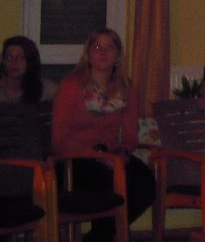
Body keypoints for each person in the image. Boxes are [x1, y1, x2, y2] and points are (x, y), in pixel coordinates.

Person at [52, 28, 155, 242]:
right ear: (88, 53)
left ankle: (100, 236)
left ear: (117, 55)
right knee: (108, 183)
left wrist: (121, 153)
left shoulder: (125, 88)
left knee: (145, 182)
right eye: (97, 46)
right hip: (74, 159)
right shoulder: (71, 85)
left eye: (110, 47)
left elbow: (130, 135)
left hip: (110, 156)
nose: (103, 52)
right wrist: (96, 156)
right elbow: (59, 139)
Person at [1, 35, 57, 103]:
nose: (14, 62)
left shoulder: (47, 89)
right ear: (3, 61)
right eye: (9, 57)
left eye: (20, 58)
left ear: (30, 61)